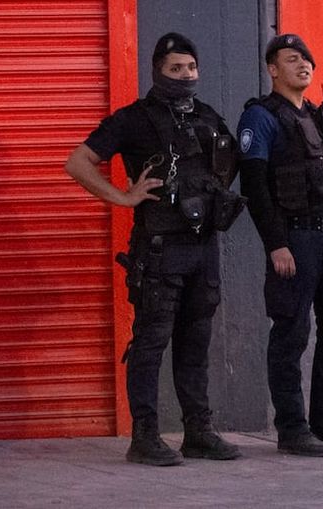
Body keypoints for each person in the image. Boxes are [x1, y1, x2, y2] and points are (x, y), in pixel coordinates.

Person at [64, 32, 243, 466]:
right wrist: (122, 197)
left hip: (204, 248)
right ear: (157, 73)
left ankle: (197, 431)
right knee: (151, 342)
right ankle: (144, 436)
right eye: (175, 69)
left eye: (191, 68)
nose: (185, 76)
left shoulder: (207, 116)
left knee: (195, 342)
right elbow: (78, 162)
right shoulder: (134, 119)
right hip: (160, 248)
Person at [237, 34, 323, 457]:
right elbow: (255, 185)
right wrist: (275, 245)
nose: (303, 66)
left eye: (307, 60)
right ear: (273, 69)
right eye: (292, 59)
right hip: (296, 239)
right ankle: (292, 429)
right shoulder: (260, 117)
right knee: (292, 334)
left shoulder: (312, 116)